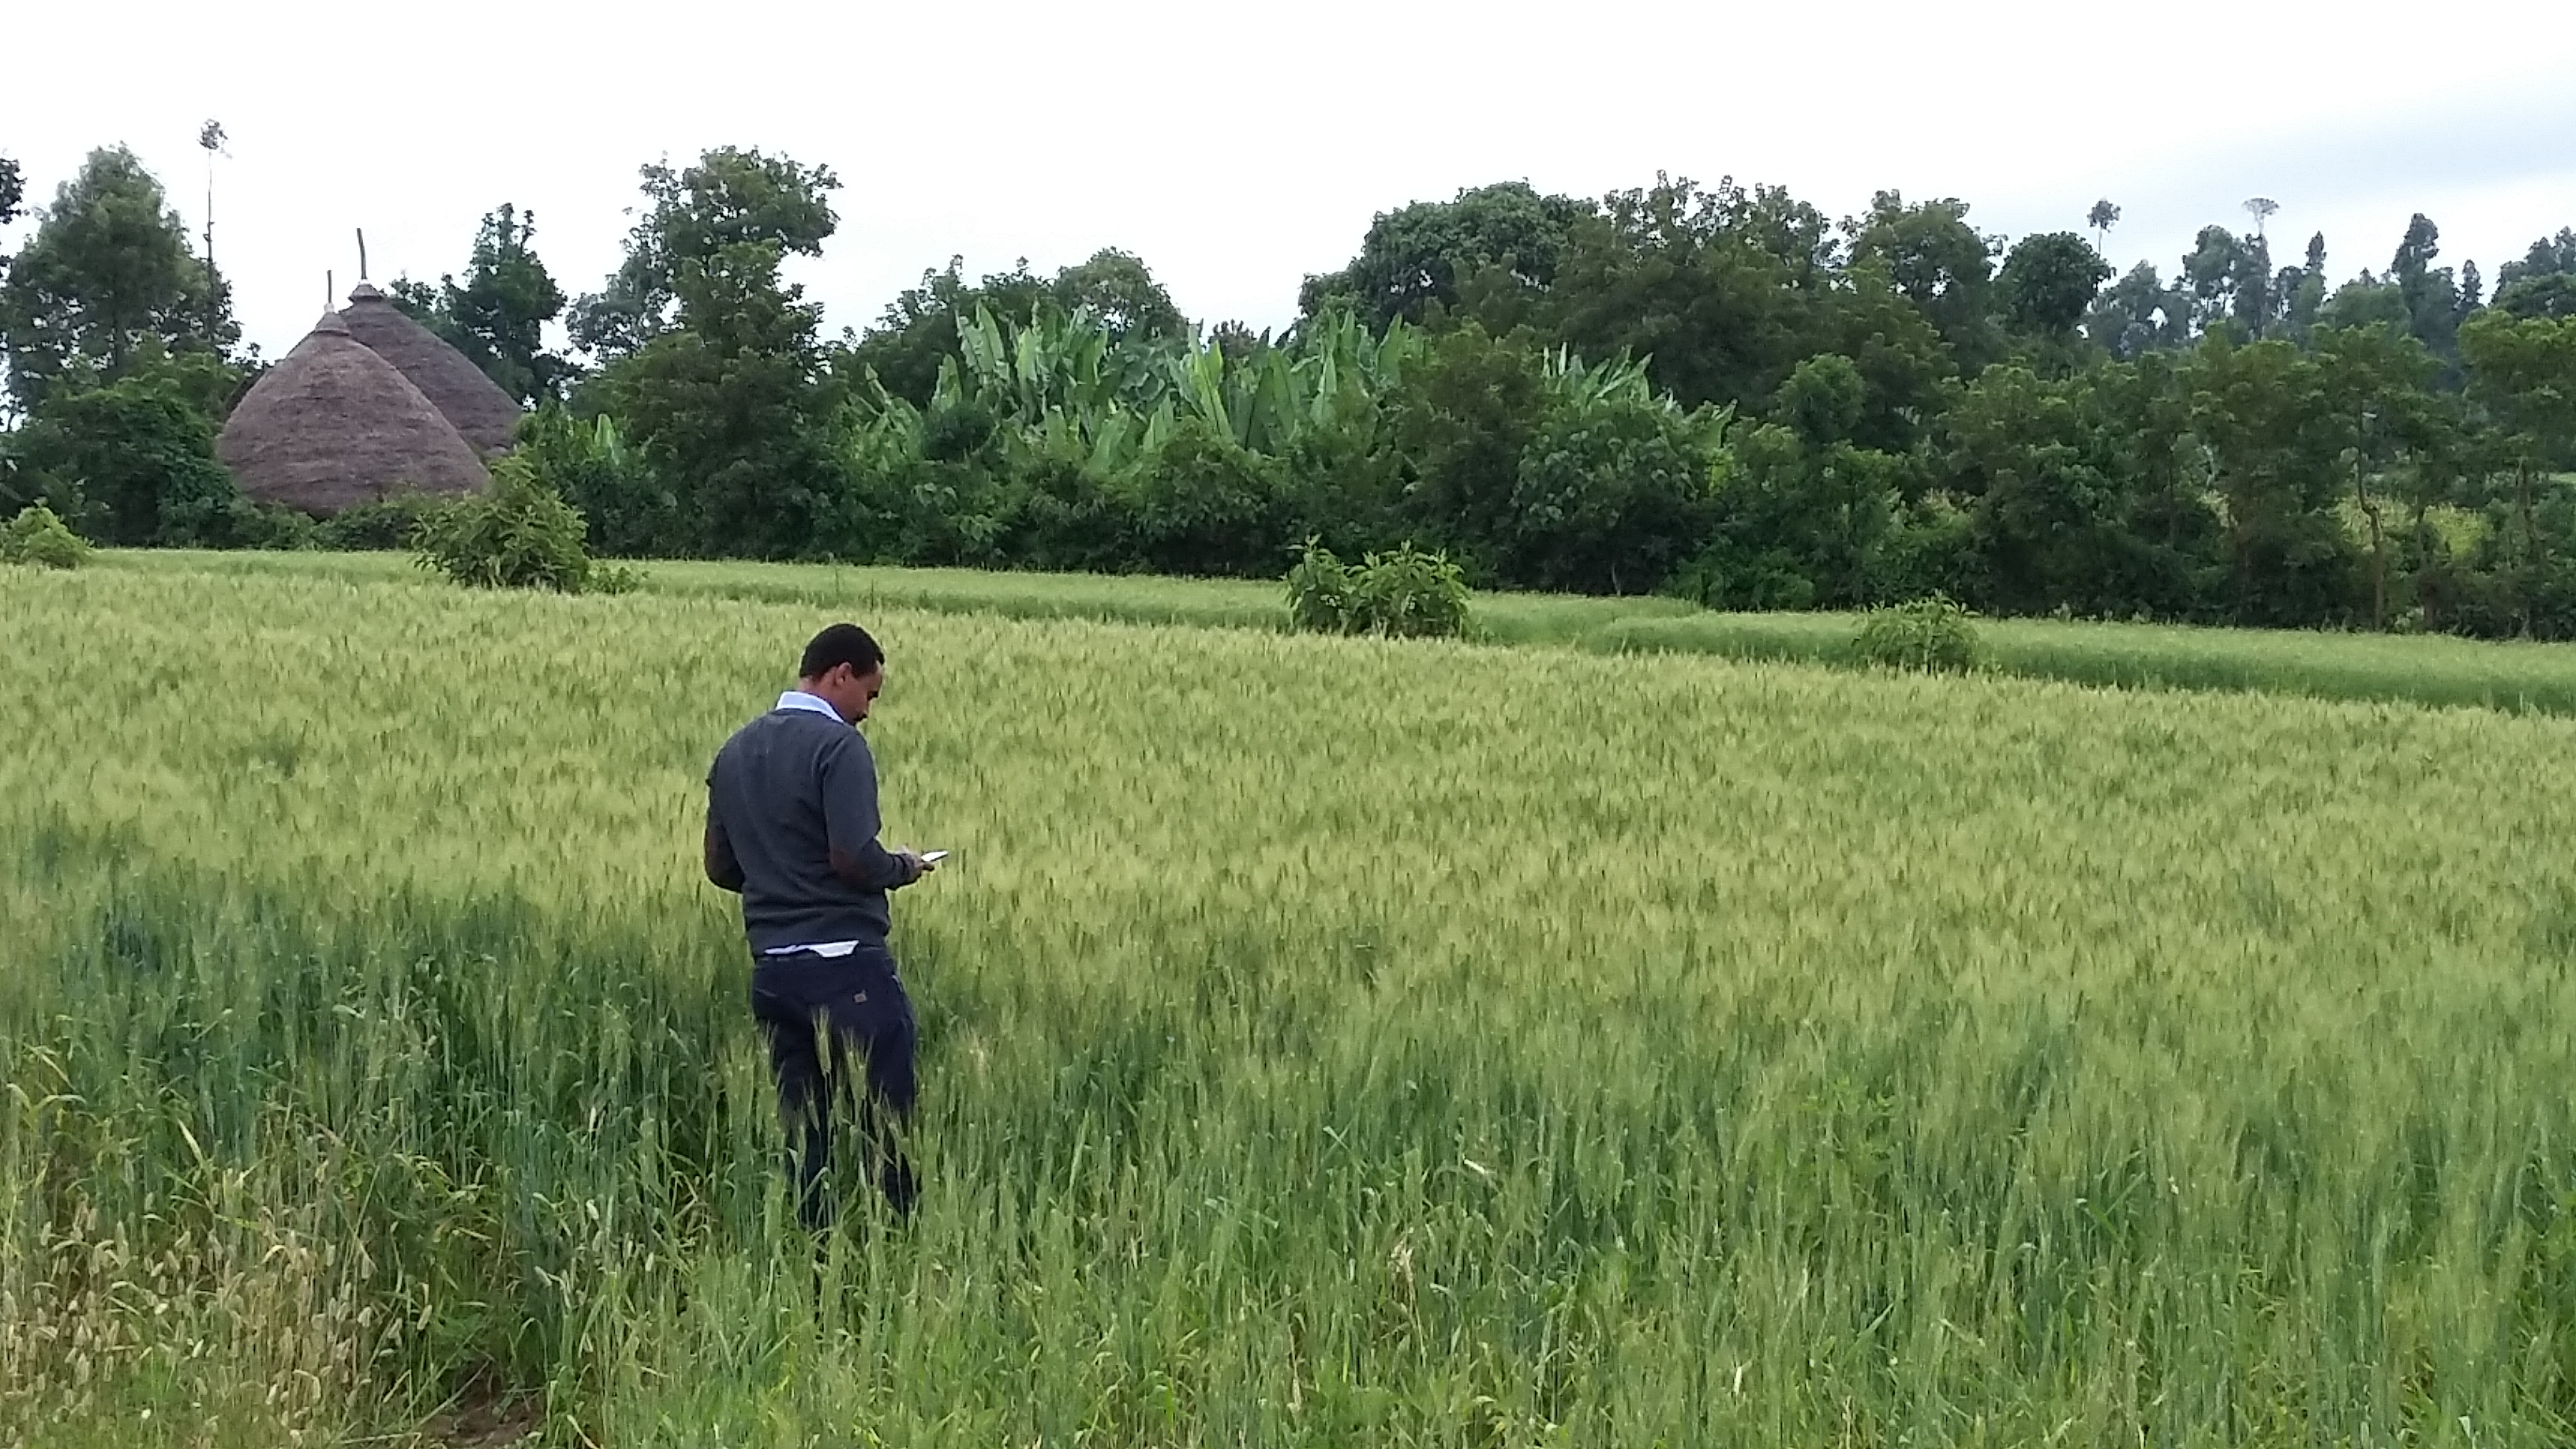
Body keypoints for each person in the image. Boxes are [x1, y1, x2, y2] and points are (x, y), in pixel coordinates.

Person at [702, 623, 937, 1228]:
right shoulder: (838, 748)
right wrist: (904, 868)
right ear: (840, 674)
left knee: (807, 1131)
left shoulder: (735, 750)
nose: (868, 711)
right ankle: (902, 1247)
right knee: (888, 1122)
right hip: (847, 967)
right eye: (870, 693)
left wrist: (782, 883)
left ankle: (814, 1259)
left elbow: (721, 866)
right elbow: (853, 857)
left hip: (775, 973)